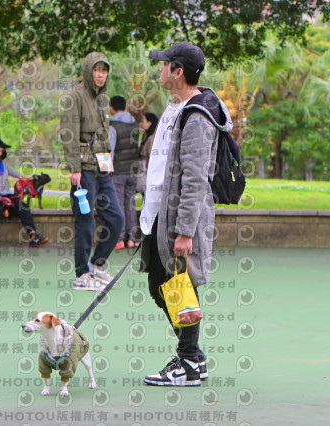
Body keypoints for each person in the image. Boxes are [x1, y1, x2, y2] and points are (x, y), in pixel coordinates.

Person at [139, 42, 233, 386]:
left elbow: (195, 178)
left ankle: (190, 360)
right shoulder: (176, 106)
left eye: (164, 64)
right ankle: (192, 357)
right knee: (161, 285)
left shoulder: (196, 116)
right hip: (160, 214)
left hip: (179, 219)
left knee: (179, 284)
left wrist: (185, 231)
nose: (159, 69)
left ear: (178, 71)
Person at [59, 52, 124, 291]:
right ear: (89, 71)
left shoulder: (103, 99)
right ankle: (81, 274)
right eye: (97, 70)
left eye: (104, 70)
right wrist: (74, 168)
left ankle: (97, 264)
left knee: (117, 218)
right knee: (85, 221)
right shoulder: (75, 97)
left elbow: (104, 135)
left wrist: (107, 162)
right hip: (83, 170)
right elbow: (68, 134)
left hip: (102, 169)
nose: (101, 75)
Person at [0, 138, 49, 248]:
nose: (4, 152)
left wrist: (21, 177)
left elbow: (9, 170)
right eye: (2, 149)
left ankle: (33, 236)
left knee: (23, 206)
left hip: (6, 194)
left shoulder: (2, 162)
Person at [108, 95, 140, 250]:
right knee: (131, 204)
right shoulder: (135, 124)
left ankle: (119, 239)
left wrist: (107, 170)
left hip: (118, 172)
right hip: (133, 171)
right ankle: (132, 239)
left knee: (119, 205)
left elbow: (110, 151)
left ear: (111, 108)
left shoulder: (112, 126)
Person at [136, 112, 158, 196]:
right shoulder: (147, 137)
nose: (140, 124)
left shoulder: (151, 139)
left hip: (148, 176)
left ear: (149, 123)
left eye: (142, 121)